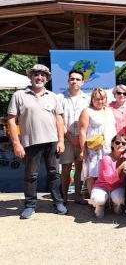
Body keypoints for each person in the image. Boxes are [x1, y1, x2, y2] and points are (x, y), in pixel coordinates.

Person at [7, 64, 67, 219]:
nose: (39, 77)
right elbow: (12, 121)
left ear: (47, 79)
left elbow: (59, 120)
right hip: (30, 142)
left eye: (43, 75)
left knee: (54, 174)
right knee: (31, 175)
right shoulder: (19, 95)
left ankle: (58, 202)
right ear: (30, 76)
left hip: (52, 141)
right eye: (36, 74)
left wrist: (61, 141)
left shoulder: (53, 96)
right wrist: (16, 143)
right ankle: (30, 205)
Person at [56, 69, 90, 205]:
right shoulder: (59, 98)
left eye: (77, 79)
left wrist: (81, 140)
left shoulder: (87, 99)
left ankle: (77, 196)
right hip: (66, 138)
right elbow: (59, 120)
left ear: (82, 82)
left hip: (83, 139)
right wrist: (69, 137)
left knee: (80, 167)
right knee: (66, 168)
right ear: (68, 80)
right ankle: (63, 197)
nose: (74, 81)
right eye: (72, 79)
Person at [79, 88, 117, 198]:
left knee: (107, 173)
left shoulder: (109, 110)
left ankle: (108, 198)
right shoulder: (87, 111)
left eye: (102, 99)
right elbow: (82, 132)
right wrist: (83, 150)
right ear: (92, 99)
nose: (100, 101)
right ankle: (93, 199)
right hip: (94, 149)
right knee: (92, 175)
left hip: (108, 148)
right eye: (97, 99)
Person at [90, 134, 126, 218]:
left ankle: (116, 204)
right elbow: (110, 180)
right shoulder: (106, 158)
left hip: (118, 186)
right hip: (102, 186)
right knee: (98, 199)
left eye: (123, 143)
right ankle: (100, 206)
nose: (120, 145)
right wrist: (121, 166)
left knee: (119, 198)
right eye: (117, 142)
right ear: (112, 144)